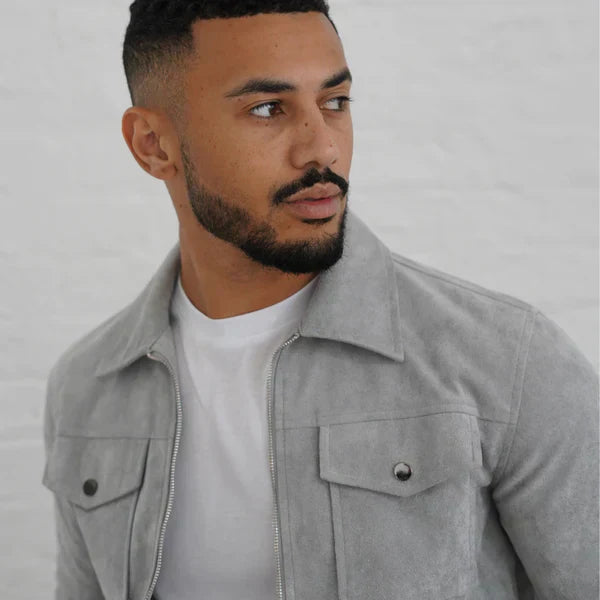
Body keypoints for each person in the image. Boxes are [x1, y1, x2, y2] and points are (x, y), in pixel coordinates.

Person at [41, 1, 598, 599]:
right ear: (153, 145)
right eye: (267, 109)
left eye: (335, 102)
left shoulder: (508, 362)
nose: (323, 149)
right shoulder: (88, 389)